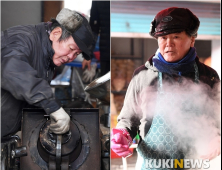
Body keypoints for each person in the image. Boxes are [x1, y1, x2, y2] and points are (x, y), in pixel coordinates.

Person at [111, 7, 220, 169]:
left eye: (176, 37)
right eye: (163, 38)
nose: (168, 43)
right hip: (152, 165)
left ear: (192, 39)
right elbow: (128, 119)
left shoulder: (208, 76)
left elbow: (217, 120)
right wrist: (122, 135)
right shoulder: (143, 76)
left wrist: (217, 138)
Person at [1, 8, 96, 138]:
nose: (71, 57)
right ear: (56, 33)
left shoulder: (48, 56)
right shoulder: (22, 39)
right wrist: (53, 107)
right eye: (71, 49)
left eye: (76, 54)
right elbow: (12, 70)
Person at [82, 1, 110, 76]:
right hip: (106, 53)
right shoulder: (98, 2)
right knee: (107, 83)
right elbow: (93, 29)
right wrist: (88, 54)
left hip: (124, 49)